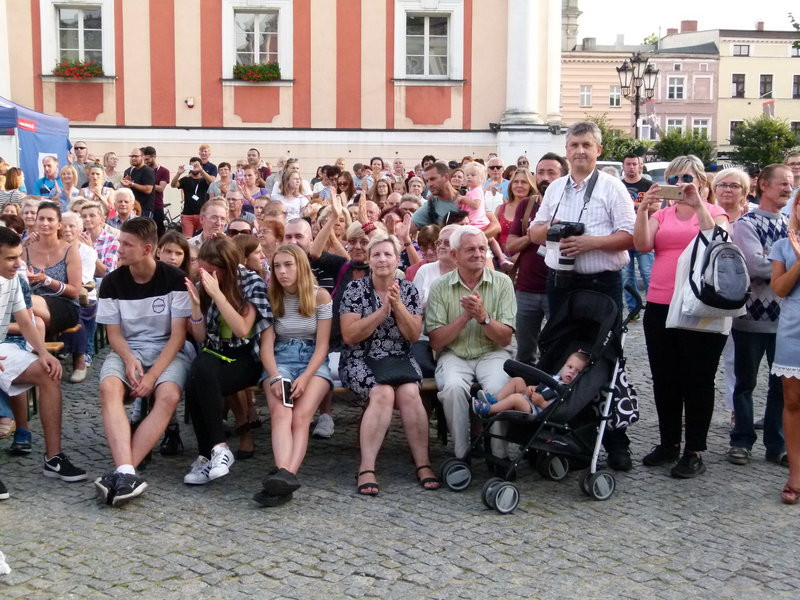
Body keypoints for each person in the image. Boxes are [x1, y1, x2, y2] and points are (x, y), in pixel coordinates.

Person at [634, 155, 729, 478]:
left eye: (686, 178)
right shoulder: (663, 214)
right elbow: (642, 245)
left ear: (701, 181)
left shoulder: (714, 211)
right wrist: (643, 211)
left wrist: (698, 204)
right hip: (661, 302)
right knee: (665, 378)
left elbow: (717, 239)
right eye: (673, 179)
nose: (679, 185)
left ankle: (694, 450)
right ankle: (669, 442)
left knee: (698, 379)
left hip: (700, 305)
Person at [94, 218, 192, 506]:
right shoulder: (112, 281)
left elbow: (177, 336)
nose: (119, 249)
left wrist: (152, 376)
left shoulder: (174, 279)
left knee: (168, 395)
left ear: (147, 249)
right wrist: (128, 359)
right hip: (128, 349)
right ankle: (127, 471)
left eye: (127, 244)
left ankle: (124, 470)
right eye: (120, 242)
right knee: (108, 388)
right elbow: (113, 335)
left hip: (168, 350)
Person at [339, 234, 439, 495]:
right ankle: (367, 467)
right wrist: (382, 312)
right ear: (369, 260)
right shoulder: (355, 289)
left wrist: (397, 306)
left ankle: (423, 463)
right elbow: (350, 336)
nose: (382, 259)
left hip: (399, 358)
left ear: (397, 260)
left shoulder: (409, 290)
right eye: (376, 254)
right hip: (360, 357)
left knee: (410, 392)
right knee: (382, 392)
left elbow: (413, 336)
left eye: (387, 254)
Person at [183, 236, 272, 485]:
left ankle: (209, 454)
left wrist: (218, 295)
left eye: (211, 270)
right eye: (202, 270)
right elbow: (201, 337)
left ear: (227, 267)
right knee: (197, 375)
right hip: (218, 350)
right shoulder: (206, 285)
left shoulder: (251, 282)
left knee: (200, 382)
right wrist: (196, 306)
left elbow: (243, 329)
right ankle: (215, 451)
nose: (205, 275)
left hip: (247, 355)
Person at [0, 226, 86, 481]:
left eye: (19, 256)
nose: (19, 264)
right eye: (11, 258)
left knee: (49, 372)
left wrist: (44, 353)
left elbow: (25, 321)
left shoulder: (15, 279)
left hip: (6, 347)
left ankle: (53, 458)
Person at [425, 225, 516, 459]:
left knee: (497, 389)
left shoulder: (502, 283)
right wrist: (465, 317)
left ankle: (499, 455)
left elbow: (505, 338)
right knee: (453, 389)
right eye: (471, 249)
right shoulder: (440, 286)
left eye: (482, 249)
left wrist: (483, 317)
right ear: (455, 255)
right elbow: (436, 342)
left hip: (493, 352)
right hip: (453, 354)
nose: (478, 254)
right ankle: (461, 454)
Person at [254, 244, 333, 506]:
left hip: (313, 362)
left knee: (301, 417)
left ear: (301, 266)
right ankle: (284, 479)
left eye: (288, 265)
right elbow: (266, 346)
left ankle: (284, 476)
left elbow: (322, 345)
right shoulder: (271, 297)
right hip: (281, 360)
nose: (282, 271)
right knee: (281, 413)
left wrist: (307, 377)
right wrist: (275, 376)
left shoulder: (320, 296)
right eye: (277, 266)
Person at [727, 164, 792, 467]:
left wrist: (774, 261)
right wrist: (788, 266)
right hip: (750, 318)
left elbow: (769, 265)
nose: (789, 189)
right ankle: (741, 440)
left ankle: (776, 443)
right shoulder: (746, 224)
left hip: (786, 321)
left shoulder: (792, 224)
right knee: (745, 383)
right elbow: (755, 266)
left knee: (781, 386)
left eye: (790, 184)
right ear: (763, 185)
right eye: (783, 183)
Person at [506, 154, 568, 364]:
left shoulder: (571, 205)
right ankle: (525, 382)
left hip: (559, 289)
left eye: (551, 172)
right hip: (526, 288)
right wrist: (534, 235)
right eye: (540, 172)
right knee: (524, 351)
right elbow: (510, 245)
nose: (545, 177)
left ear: (563, 176)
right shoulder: (527, 205)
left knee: (557, 349)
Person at [769, 188, 800, 504]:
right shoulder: (782, 245)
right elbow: (779, 289)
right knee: (792, 402)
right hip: (792, 330)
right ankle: (795, 473)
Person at [472, 351, 589, 417]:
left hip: (537, 411)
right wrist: (531, 388)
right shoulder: (555, 378)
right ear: (563, 366)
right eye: (570, 367)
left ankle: (489, 410)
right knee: (518, 381)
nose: (572, 372)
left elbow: (559, 412)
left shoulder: (570, 390)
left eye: (577, 372)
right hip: (530, 400)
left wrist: (542, 403)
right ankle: (495, 400)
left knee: (516, 398)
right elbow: (541, 388)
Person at [25, 202, 81, 335]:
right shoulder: (25, 250)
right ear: (36, 222)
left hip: (64, 305)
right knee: (36, 321)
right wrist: (26, 281)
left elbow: (75, 292)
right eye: (41, 219)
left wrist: (47, 280)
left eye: (50, 219)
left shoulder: (70, 250)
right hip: (32, 307)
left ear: (59, 224)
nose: (45, 223)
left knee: (23, 302)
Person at [60, 211, 99, 383]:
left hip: (83, 296)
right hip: (58, 295)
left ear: (80, 229)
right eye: (64, 225)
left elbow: (82, 281)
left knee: (75, 314)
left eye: (72, 226)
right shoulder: (55, 249)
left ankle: (80, 359)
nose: (67, 229)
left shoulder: (88, 252)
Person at [621, 153, 655, 318]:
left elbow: (656, 207)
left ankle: (653, 307)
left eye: (634, 164)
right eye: (628, 164)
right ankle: (633, 309)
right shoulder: (618, 185)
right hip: (624, 234)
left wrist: (632, 204)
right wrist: (642, 205)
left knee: (648, 273)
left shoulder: (648, 185)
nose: (631, 167)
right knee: (626, 276)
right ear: (623, 166)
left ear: (640, 166)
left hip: (645, 234)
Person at [172, 157, 210, 237]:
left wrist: (201, 170)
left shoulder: (204, 179)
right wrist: (178, 173)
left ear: (201, 166)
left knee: (202, 238)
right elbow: (173, 185)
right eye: (192, 166)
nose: (194, 168)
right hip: (187, 215)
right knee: (187, 239)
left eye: (196, 166)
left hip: (202, 214)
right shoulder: (185, 179)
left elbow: (211, 182)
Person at [80, 201, 119, 278]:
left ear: (102, 219)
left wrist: (90, 250)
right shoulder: (77, 239)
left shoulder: (112, 240)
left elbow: (108, 274)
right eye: (84, 216)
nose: (87, 219)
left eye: (92, 215)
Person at [142, 146, 171, 239]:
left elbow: (161, 188)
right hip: (143, 206)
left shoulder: (164, 171)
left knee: (158, 234)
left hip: (156, 206)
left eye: (147, 159)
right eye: (144, 159)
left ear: (154, 156)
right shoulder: (142, 170)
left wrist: (146, 186)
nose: (145, 162)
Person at [121, 148, 155, 218]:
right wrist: (126, 185)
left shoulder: (147, 171)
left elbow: (148, 189)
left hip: (145, 209)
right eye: (131, 156)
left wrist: (132, 184)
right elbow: (130, 188)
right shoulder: (131, 171)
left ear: (143, 157)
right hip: (133, 208)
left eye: (136, 156)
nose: (133, 158)